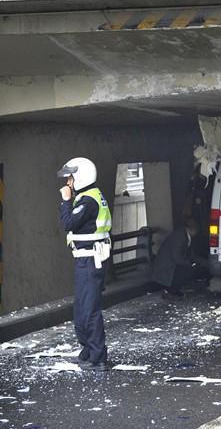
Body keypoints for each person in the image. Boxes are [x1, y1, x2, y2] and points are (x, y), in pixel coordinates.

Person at [57, 157, 112, 372]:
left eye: (71, 177)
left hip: (90, 260)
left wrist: (65, 201)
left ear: (81, 176)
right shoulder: (89, 197)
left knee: (89, 311)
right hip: (85, 259)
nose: (68, 183)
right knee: (81, 310)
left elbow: (68, 223)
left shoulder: (88, 201)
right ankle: (88, 353)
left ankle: (98, 357)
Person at [151, 219, 208, 300]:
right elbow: (177, 258)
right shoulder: (180, 236)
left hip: (170, 264)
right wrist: (190, 264)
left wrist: (206, 264)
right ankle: (170, 290)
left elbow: (192, 256)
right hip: (167, 267)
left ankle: (173, 289)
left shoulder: (185, 236)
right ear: (190, 229)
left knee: (191, 268)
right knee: (187, 270)